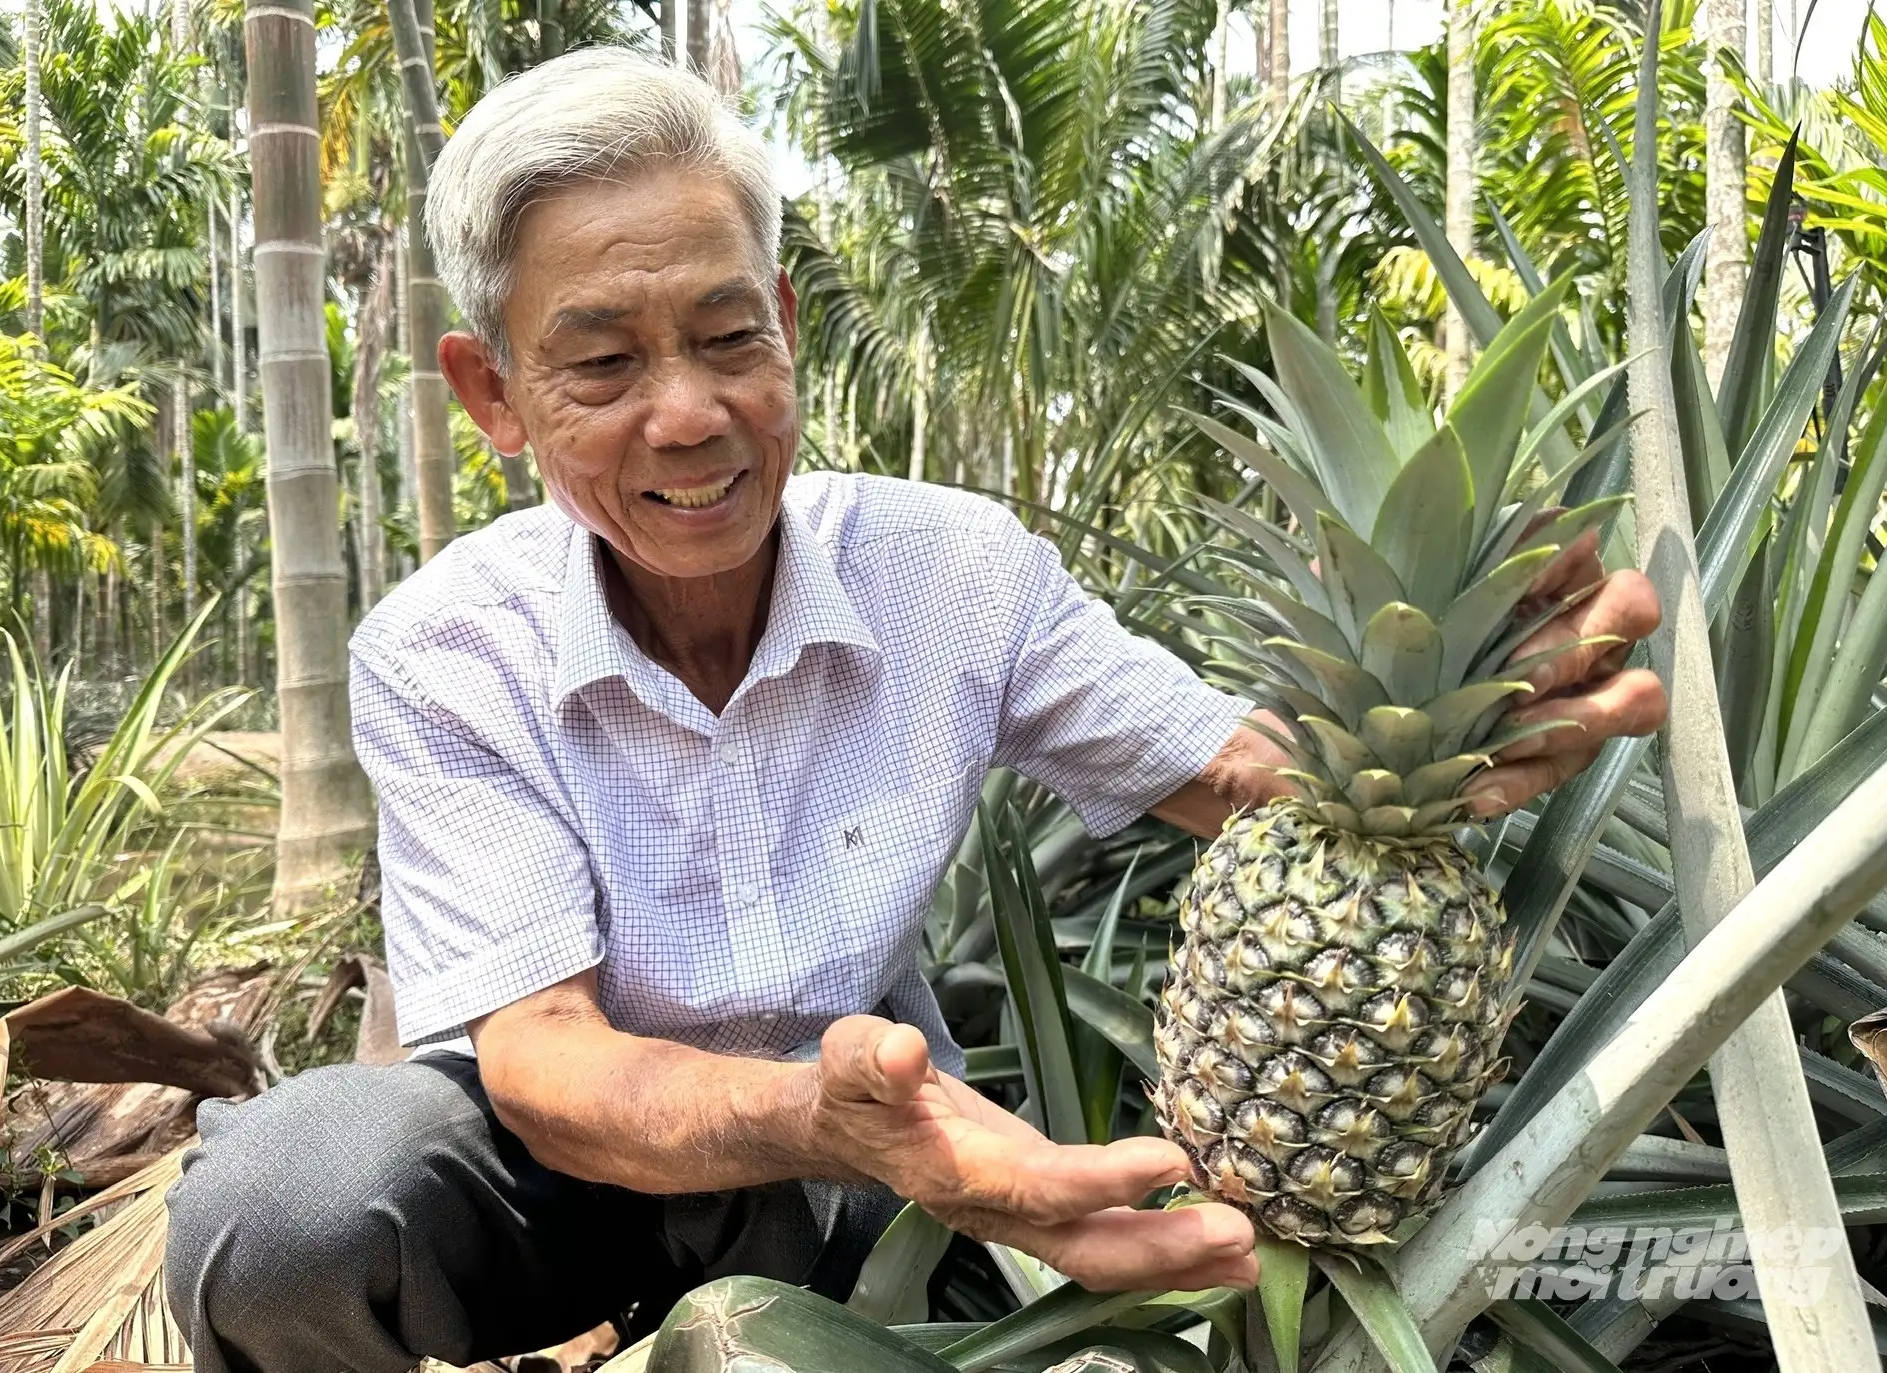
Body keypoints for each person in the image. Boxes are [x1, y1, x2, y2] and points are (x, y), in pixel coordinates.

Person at [163, 46, 1666, 1373]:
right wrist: (814, 1112)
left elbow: (1228, 769)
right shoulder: (443, 650)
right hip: (569, 1164)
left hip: (880, 1164)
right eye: (604, 361)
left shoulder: (954, 572)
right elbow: (547, 1062)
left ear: (789, 325)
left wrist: (1445, 750)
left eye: (728, 335)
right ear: (494, 396)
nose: (687, 413)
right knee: (282, 1213)